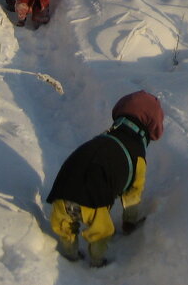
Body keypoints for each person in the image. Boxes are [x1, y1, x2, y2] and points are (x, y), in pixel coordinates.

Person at [46, 91, 165, 267]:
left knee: (65, 224)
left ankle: (70, 253)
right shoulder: (137, 155)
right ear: (152, 125)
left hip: (63, 190)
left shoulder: (104, 139)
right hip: (93, 201)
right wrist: (129, 222)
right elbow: (132, 194)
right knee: (101, 231)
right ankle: (97, 262)